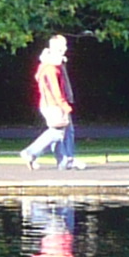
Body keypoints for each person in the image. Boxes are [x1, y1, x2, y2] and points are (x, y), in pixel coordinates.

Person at [21, 34, 81, 168]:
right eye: (62, 47)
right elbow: (56, 91)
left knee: (64, 132)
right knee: (57, 133)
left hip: (52, 104)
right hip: (53, 105)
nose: (65, 49)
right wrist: (65, 106)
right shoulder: (51, 68)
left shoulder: (53, 65)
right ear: (55, 48)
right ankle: (31, 152)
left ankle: (64, 160)